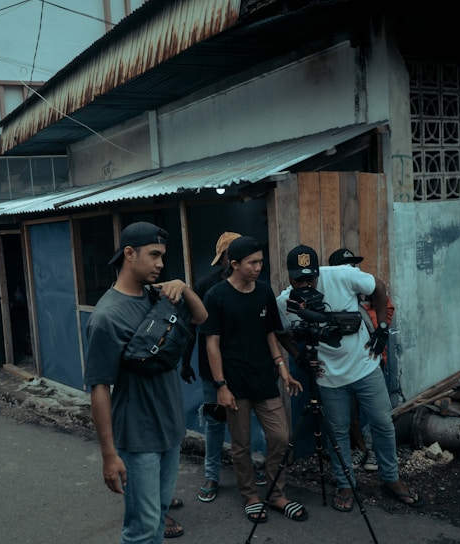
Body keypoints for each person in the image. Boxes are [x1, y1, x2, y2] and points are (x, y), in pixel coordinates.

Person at [276, 244, 424, 513]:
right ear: (289, 277)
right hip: (329, 378)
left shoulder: (340, 275)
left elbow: (378, 287)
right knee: (339, 432)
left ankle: (391, 478)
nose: (306, 283)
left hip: (366, 367)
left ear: (318, 271)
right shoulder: (285, 301)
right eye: (299, 279)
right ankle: (345, 484)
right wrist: (298, 356)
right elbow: (279, 331)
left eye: (311, 277)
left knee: (383, 424)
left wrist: (381, 328)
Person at [85, 221, 208, 544]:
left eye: (162, 256)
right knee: (141, 528)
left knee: (160, 515)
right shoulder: (106, 317)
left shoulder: (158, 297)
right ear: (129, 253)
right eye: (154, 255)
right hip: (138, 438)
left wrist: (183, 287)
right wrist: (109, 455)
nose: (160, 264)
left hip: (170, 429)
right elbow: (99, 388)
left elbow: (200, 317)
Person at [200, 236, 307, 524]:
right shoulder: (217, 296)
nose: (259, 267)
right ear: (234, 264)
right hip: (234, 383)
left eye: (261, 261)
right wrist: (220, 386)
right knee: (241, 444)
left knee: (281, 437)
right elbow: (212, 344)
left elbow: (270, 332)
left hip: (264, 377)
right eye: (253, 262)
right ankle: (250, 495)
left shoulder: (263, 292)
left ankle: (275, 493)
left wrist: (282, 367)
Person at [179, 231, 241, 503]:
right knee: (215, 423)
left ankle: (247, 471)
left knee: (243, 421)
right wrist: (185, 361)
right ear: (225, 258)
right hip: (210, 369)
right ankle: (212, 474)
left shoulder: (252, 285)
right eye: (230, 254)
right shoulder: (205, 286)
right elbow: (191, 328)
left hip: (242, 367)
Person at [328, 248, 396, 473]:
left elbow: (387, 306)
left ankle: (377, 453)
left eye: (355, 266)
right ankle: (361, 448)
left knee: (379, 416)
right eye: (348, 266)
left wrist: (381, 330)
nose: (354, 270)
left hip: (374, 363)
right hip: (345, 369)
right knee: (351, 414)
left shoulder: (369, 293)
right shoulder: (337, 299)